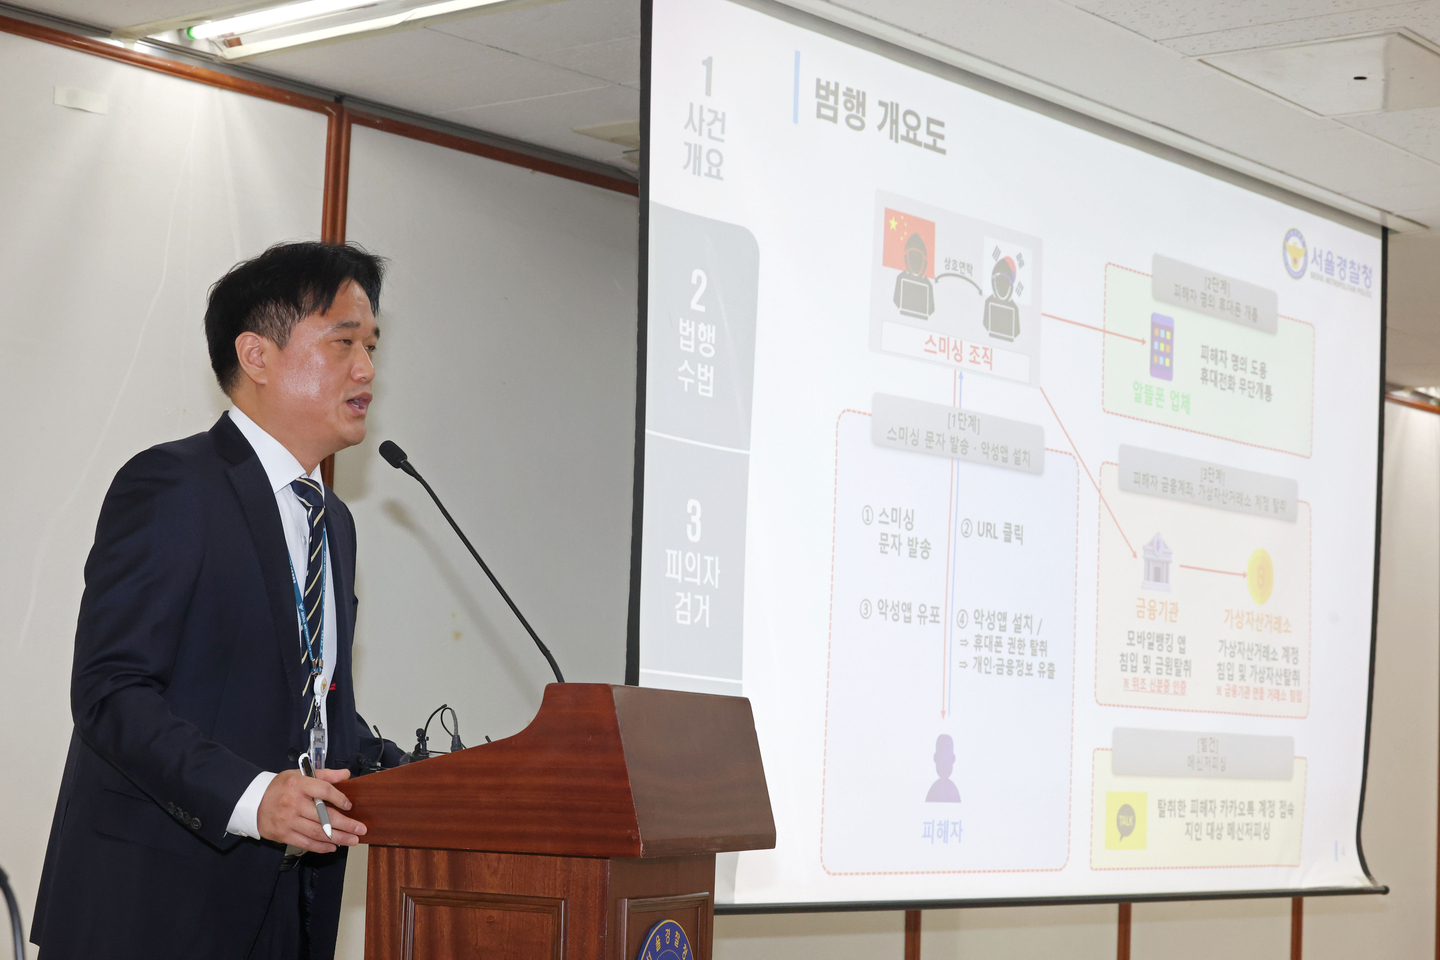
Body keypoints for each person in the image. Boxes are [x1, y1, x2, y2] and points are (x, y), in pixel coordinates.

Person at [31, 241, 405, 960]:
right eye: (344, 342)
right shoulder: (174, 485)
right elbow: (111, 691)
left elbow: (304, 703)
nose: (366, 369)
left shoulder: (333, 520)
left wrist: (425, 774)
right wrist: (253, 797)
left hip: (289, 910)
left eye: (372, 346)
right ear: (256, 355)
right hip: (152, 913)